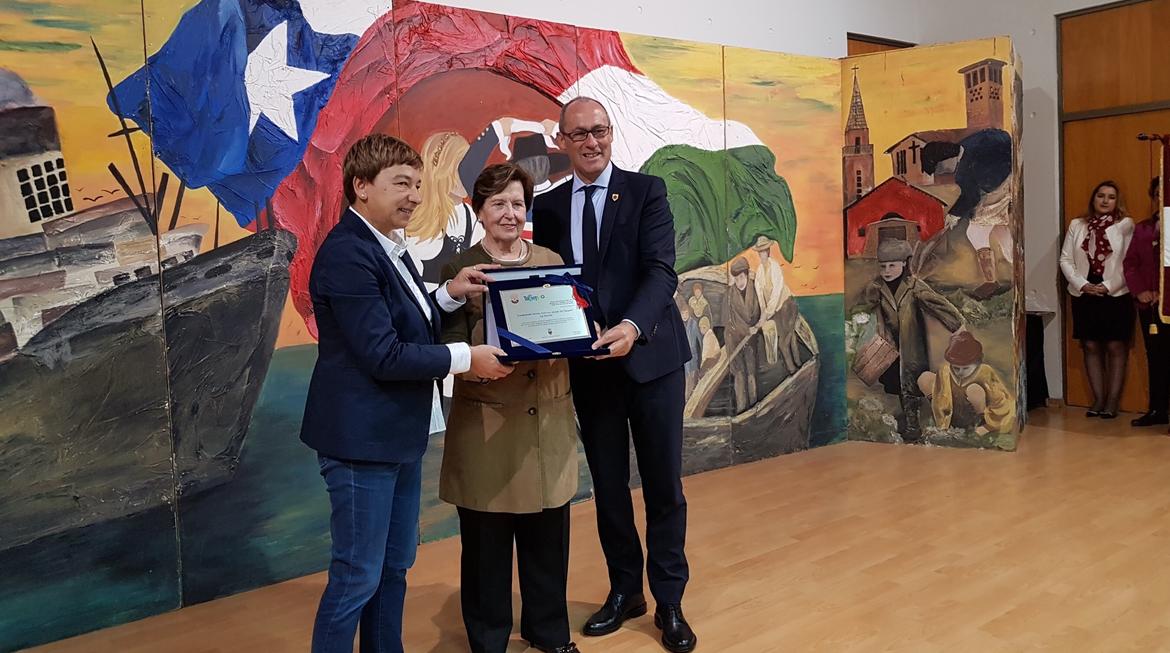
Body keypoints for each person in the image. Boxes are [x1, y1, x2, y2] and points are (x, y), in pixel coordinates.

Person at [299, 134, 512, 653]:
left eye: (417, 184)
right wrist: (467, 358)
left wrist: (449, 293)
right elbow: (384, 353)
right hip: (360, 442)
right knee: (357, 576)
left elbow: (404, 317)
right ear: (361, 186)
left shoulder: (384, 245)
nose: (415, 196)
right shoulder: (348, 254)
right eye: (401, 184)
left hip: (395, 435)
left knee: (394, 565)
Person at [533, 97, 696, 653]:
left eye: (599, 130)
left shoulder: (647, 192)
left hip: (651, 361)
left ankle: (669, 599)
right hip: (590, 370)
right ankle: (626, 591)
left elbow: (662, 271)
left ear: (611, 132)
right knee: (608, 488)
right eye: (579, 133)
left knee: (663, 486)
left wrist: (630, 326)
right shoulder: (548, 207)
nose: (591, 142)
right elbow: (550, 284)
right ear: (562, 141)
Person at [438, 163, 580, 653]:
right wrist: (478, 361)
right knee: (486, 549)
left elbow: (571, 323)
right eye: (498, 203)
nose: (509, 213)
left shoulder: (551, 260)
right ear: (479, 211)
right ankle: (488, 641)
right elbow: (449, 345)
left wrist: (583, 335)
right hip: (487, 427)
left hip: (548, 424)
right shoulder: (459, 270)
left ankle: (550, 633)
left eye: (517, 203)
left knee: (548, 542)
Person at [850, 238, 964, 441]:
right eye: (883, 266)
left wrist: (957, 324)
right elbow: (862, 305)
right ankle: (910, 421)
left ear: (904, 264)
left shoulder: (913, 287)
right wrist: (864, 315)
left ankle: (918, 423)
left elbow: (938, 304)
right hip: (890, 345)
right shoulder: (877, 287)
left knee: (912, 382)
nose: (887, 271)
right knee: (898, 383)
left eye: (892, 265)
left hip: (911, 345)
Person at [1060, 180, 1135, 419]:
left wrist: (1108, 285)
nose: (1105, 200)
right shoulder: (1078, 224)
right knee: (1090, 345)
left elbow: (1129, 262)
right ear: (1093, 199)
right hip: (1085, 290)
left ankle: (1112, 402)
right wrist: (1082, 284)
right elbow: (1066, 259)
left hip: (1115, 292)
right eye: (1100, 195)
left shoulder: (1125, 225)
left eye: (1111, 197)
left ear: (1117, 201)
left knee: (1115, 345)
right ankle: (1098, 399)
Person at [1123, 176, 1169, 428]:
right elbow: (1130, 264)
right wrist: (1140, 291)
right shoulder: (1143, 228)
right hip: (1148, 306)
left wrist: (1165, 293)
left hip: (1168, 304)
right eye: (1158, 193)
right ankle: (1157, 410)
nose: (1162, 197)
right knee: (1156, 357)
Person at [918, 331, 1015, 436]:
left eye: (966, 368)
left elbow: (1000, 403)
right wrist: (942, 426)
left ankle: (979, 425)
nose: (960, 372)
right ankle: (947, 425)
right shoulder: (945, 371)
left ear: (977, 363)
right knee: (926, 378)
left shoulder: (985, 372)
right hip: (953, 413)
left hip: (976, 413)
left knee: (974, 389)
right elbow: (939, 398)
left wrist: (989, 426)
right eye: (956, 368)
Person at [725, 257, 760, 412]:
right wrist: (747, 330)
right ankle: (741, 409)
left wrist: (754, 328)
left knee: (751, 372)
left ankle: (754, 407)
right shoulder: (730, 294)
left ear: (746, 275)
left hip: (750, 339)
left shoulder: (754, 288)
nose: (739, 282)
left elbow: (757, 310)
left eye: (741, 277)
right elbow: (732, 320)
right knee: (739, 374)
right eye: (736, 278)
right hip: (734, 339)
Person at [679, 300, 702, 397]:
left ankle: (691, 397)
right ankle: (686, 398)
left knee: (692, 376)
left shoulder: (693, 324)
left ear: (689, 313)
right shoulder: (679, 324)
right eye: (682, 314)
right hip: (683, 354)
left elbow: (699, 340)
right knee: (685, 376)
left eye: (686, 313)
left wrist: (701, 354)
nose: (684, 316)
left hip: (693, 354)